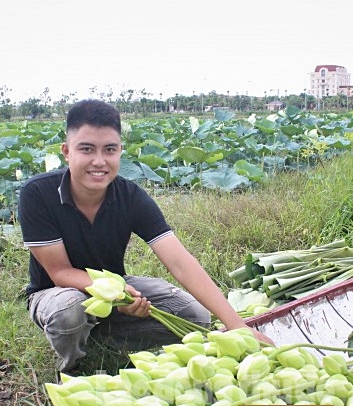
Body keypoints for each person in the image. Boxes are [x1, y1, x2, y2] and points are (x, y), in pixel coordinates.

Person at [18, 99, 273, 374]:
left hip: (115, 288)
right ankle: (73, 366)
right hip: (56, 293)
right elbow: (60, 272)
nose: (99, 161)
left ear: (120, 152)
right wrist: (116, 293)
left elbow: (179, 262)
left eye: (110, 150)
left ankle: (101, 339)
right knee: (69, 310)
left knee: (196, 316)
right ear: (67, 152)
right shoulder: (38, 194)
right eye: (87, 149)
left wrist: (237, 326)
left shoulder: (130, 197)